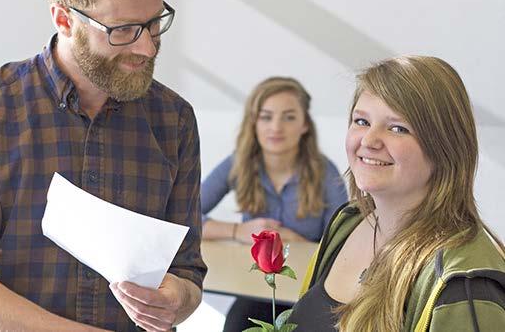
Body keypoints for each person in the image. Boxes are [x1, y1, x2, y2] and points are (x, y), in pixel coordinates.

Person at [0, 0, 207, 331]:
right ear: (64, 19)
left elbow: (188, 272)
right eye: (123, 30)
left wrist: (175, 299)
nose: (148, 47)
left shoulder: (175, 121)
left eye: (154, 23)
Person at [289, 56, 505, 331]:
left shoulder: (464, 280)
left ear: (445, 147)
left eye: (397, 128)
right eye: (362, 121)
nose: (369, 140)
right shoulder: (347, 222)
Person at [200, 77, 348, 331]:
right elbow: (185, 215)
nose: (276, 127)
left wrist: (294, 240)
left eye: (289, 117)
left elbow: (341, 243)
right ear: (254, 123)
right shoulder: (238, 163)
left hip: (306, 294)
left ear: (304, 125)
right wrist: (238, 232)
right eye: (266, 117)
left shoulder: (325, 172)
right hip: (255, 289)